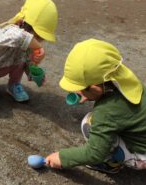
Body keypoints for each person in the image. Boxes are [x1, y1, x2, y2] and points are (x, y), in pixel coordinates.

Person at [46, 39, 146, 173]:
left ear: (95, 87)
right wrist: (89, 93)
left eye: (81, 88)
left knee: (88, 123)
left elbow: (94, 153)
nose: (77, 92)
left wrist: (63, 158)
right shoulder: (127, 80)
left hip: (142, 157)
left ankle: (110, 164)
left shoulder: (105, 112)